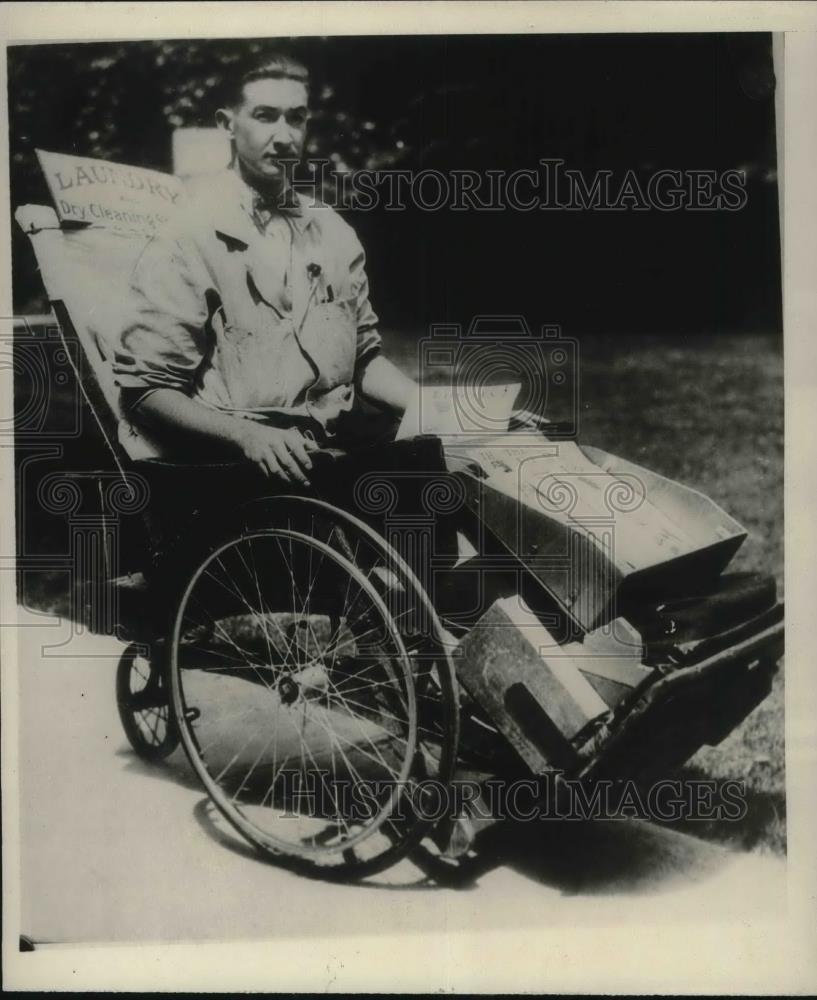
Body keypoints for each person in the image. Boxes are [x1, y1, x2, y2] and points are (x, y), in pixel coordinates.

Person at [114, 51, 416, 486]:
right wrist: (246, 435)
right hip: (237, 470)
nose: (284, 136)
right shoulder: (187, 236)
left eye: (296, 118)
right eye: (265, 116)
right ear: (227, 124)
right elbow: (145, 392)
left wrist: (431, 405)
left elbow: (364, 357)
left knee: (465, 475)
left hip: (335, 454)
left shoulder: (333, 232)